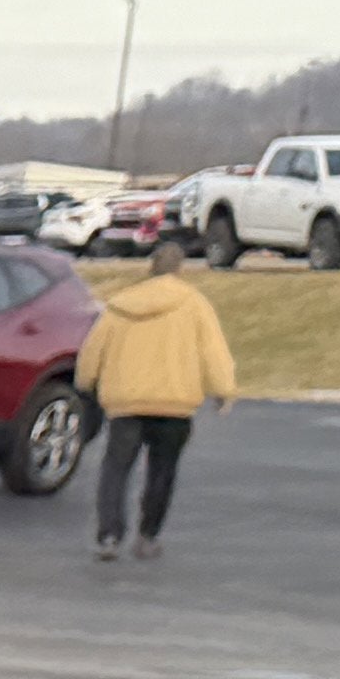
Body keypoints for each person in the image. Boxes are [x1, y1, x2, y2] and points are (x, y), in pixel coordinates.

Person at [76, 227, 241, 560]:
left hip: (126, 402)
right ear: (180, 269)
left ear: (150, 267)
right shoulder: (194, 304)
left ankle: (109, 534)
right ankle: (148, 535)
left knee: (116, 469)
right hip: (174, 403)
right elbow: (213, 351)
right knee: (162, 472)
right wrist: (224, 390)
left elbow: (93, 350)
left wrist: (85, 382)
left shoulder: (120, 306)